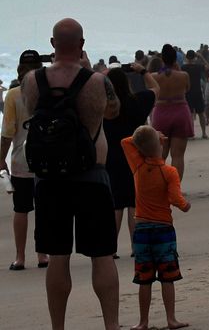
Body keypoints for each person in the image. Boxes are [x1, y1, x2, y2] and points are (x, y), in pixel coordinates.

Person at [21, 19, 121, 330]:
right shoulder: (96, 82)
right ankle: (111, 325)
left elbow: (31, 114)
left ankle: (58, 327)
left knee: (58, 255)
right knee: (102, 255)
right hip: (92, 174)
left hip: (49, 178)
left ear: (52, 44)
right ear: (81, 44)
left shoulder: (31, 81)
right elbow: (113, 112)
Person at [122, 126, 190, 330]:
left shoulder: (138, 166)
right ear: (161, 144)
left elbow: (125, 142)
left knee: (144, 278)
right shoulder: (169, 172)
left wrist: (149, 138)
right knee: (167, 276)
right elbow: (175, 198)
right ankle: (171, 319)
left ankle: (143, 321)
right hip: (163, 229)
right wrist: (185, 206)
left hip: (141, 230)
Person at [103, 67, 157, 259]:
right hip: (135, 156)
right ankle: (136, 246)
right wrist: (143, 72)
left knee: (116, 205)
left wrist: (100, 77)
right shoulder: (137, 101)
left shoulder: (104, 107)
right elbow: (155, 88)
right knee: (134, 203)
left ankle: (111, 247)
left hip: (110, 157)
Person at [1, 50, 48, 270]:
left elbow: (8, 133)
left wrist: (1, 159)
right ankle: (42, 254)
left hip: (20, 161)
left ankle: (20, 257)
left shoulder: (13, 95)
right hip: (48, 161)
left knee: (21, 209)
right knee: (44, 209)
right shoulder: (48, 92)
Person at [143, 44, 193, 180]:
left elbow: (150, 89)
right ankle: (176, 187)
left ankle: (161, 185)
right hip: (180, 110)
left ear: (162, 59)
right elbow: (187, 89)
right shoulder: (183, 75)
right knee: (178, 156)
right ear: (175, 59)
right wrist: (177, 69)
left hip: (161, 111)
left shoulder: (154, 76)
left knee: (160, 154)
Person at [181, 51, 207, 139]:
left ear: (187, 58)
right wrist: (201, 57)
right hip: (198, 91)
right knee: (201, 114)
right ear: (194, 57)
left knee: (190, 114)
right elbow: (207, 66)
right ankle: (204, 133)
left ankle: (192, 134)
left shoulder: (183, 67)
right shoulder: (198, 67)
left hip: (188, 92)